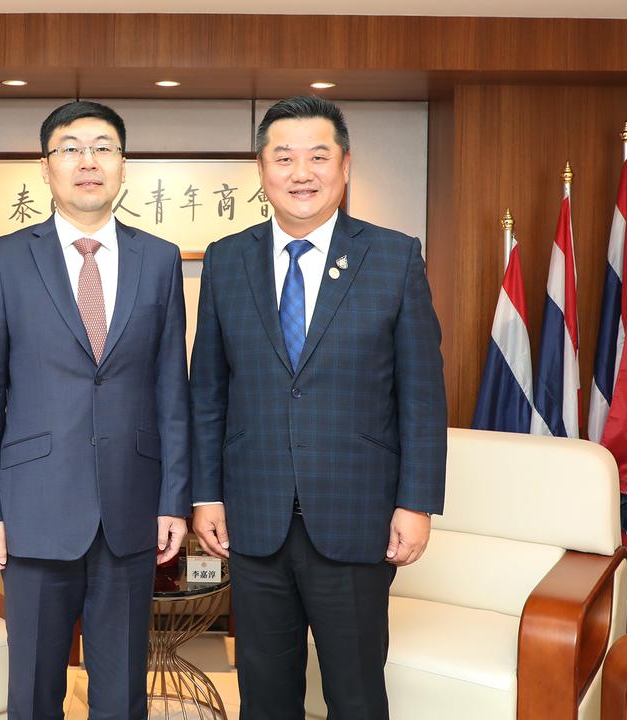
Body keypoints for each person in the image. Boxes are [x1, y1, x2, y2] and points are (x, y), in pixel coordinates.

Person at [190, 95, 447, 719]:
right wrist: (206, 495)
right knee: (264, 695)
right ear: (261, 169)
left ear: (345, 165)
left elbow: (421, 394)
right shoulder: (226, 260)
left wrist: (416, 502)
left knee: (355, 696)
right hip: (254, 516)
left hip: (358, 516)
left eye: (318, 157)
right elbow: (209, 391)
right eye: (283, 158)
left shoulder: (393, 257)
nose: (301, 173)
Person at [0, 100, 190, 720]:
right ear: (46, 167)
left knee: (122, 694)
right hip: (32, 509)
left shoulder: (159, 259)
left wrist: (174, 499)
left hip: (131, 506)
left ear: (123, 166)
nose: (88, 161)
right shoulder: (5, 258)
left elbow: (172, 389)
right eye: (71, 148)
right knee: (35, 691)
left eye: (103, 148)